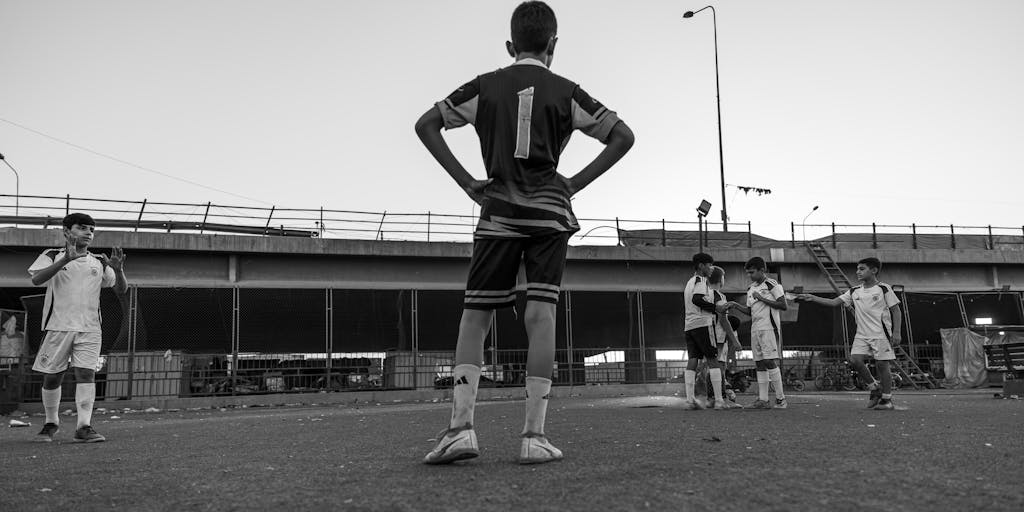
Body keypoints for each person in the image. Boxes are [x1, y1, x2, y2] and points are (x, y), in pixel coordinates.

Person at [414, 1, 635, 464]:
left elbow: (426, 124)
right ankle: (534, 437)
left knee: (475, 317)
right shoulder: (568, 91)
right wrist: (572, 183)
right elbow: (623, 136)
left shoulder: (485, 86)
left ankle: (460, 430)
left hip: (497, 211)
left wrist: (467, 182)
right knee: (542, 317)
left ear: (511, 45)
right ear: (553, 45)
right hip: (551, 214)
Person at [28, 213, 127, 442]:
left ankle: (84, 427)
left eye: (91, 229)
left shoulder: (100, 261)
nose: (88, 233)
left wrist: (119, 270)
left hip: (91, 328)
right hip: (58, 327)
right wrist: (65, 260)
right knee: (53, 377)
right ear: (66, 231)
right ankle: (50, 423)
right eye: (82, 228)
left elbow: (120, 290)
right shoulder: (51, 255)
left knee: (86, 373)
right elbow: (36, 280)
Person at [796, 257, 901, 410]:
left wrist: (896, 332)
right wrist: (812, 298)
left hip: (881, 334)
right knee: (854, 360)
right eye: (857, 269)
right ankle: (874, 388)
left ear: (874, 270)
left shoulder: (884, 288)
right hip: (861, 334)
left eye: (862, 269)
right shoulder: (854, 291)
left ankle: (887, 400)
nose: (857, 272)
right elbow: (834, 302)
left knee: (882, 365)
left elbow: (896, 310)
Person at [727, 257, 788, 409]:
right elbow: (749, 311)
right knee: (759, 363)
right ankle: (763, 399)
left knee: (769, 361)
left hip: (769, 328)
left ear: (762, 270)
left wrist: (762, 298)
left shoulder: (772, 284)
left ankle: (781, 399)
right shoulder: (750, 288)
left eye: (752, 272)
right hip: (755, 328)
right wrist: (735, 305)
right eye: (748, 273)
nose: (750, 275)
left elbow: (783, 305)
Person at [682, 253, 731, 410]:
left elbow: (692, 300)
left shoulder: (689, 282)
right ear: (701, 266)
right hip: (702, 324)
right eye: (709, 265)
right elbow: (697, 299)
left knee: (692, 360)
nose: (711, 268)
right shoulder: (701, 281)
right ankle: (718, 401)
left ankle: (690, 401)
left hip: (689, 326)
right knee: (713, 359)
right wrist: (716, 308)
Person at [705, 266, 742, 409]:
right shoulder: (719, 296)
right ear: (721, 279)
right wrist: (734, 339)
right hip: (719, 336)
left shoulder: (704, 295)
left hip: (706, 333)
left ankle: (710, 398)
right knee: (719, 367)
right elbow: (723, 319)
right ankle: (721, 398)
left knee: (711, 367)